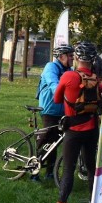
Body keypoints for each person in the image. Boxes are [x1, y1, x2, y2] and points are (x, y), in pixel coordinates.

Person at [52, 41, 102, 203]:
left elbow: (57, 99)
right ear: (93, 60)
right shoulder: (97, 80)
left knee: (68, 168)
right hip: (92, 130)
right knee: (91, 168)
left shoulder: (69, 77)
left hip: (73, 131)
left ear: (76, 58)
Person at [33, 44, 74, 181]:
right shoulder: (51, 67)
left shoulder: (68, 69)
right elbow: (53, 85)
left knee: (55, 142)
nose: (72, 58)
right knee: (45, 139)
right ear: (61, 56)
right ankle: (34, 171)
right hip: (50, 109)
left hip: (62, 110)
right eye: (69, 56)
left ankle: (50, 173)